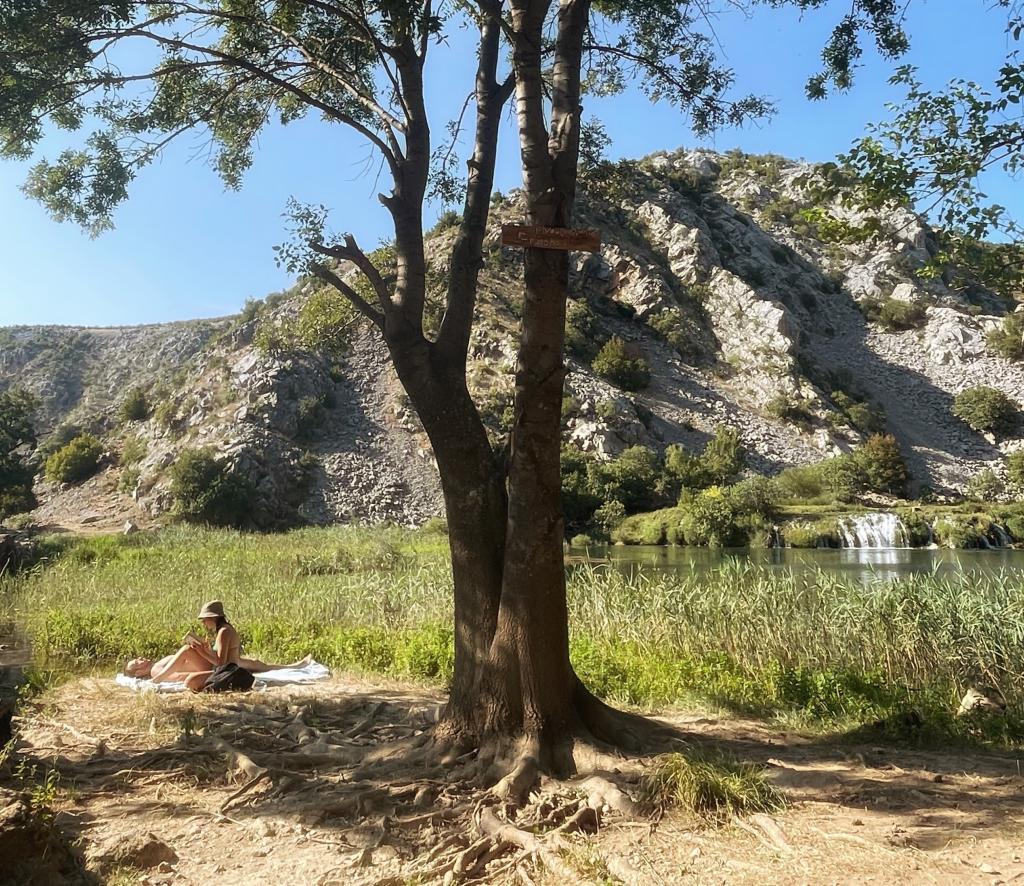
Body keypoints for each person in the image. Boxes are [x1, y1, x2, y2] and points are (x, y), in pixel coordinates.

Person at [123, 600, 312, 690]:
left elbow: (221, 663)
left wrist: (202, 651)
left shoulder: (224, 632)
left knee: (188, 655)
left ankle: (295, 666)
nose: (203, 624)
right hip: (226, 665)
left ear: (212, 618)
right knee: (258, 664)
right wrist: (204, 650)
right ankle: (295, 666)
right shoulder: (224, 630)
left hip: (227, 668)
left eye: (204, 620)